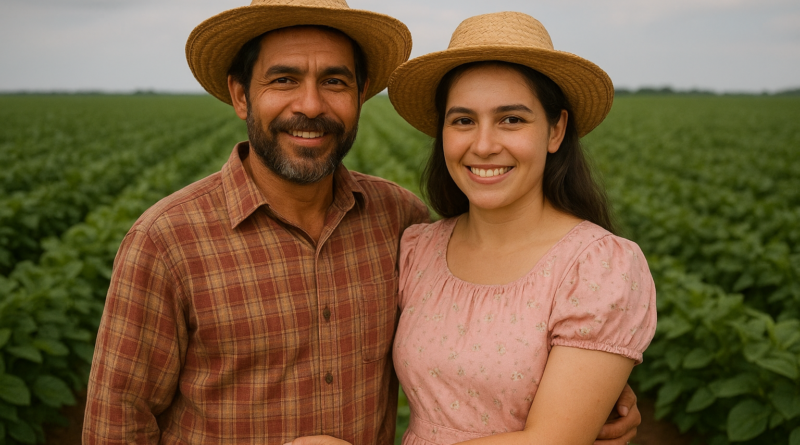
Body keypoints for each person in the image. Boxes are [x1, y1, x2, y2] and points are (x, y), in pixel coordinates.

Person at [83, 1, 643, 443]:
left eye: (334, 81)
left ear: (358, 96)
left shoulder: (397, 223)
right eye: (282, 80)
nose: (310, 105)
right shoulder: (167, 241)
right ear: (239, 94)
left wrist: (590, 409)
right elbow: (117, 425)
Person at [289, 11, 656, 445]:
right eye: (463, 120)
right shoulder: (418, 248)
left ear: (556, 129)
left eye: (511, 120)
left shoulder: (598, 266)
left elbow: (553, 439)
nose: (483, 145)